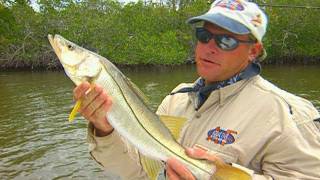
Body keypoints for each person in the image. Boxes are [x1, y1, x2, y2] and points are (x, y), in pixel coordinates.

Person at [73, 0, 320, 179]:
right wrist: (105, 129)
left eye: (226, 40)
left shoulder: (289, 114)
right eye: (204, 36)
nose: (209, 48)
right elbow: (136, 170)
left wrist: (218, 177)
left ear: (253, 51)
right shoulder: (176, 99)